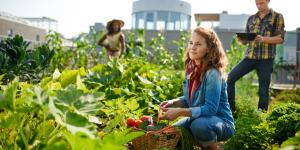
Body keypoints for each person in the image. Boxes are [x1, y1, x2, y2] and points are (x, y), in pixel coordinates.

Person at [159, 27, 235, 150]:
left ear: (209, 49)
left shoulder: (213, 73)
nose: (192, 47)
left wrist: (179, 112)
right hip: (198, 118)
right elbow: (190, 98)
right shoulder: (191, 68)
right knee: (172, 133)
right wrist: (173, 102)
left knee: (199, 126)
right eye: (191, 43)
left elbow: (210, 109)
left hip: (221, 122)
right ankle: (201, 143)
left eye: (198, 44)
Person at [227, 0, 285, 113]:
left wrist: (263, 39)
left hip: (266, 59)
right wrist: (242, 40)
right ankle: (231, 110)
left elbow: (280, 38)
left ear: (268, 1)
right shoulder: (251, 18)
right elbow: (246, 41)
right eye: (257, 3)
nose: (259, 5)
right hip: (250, 57)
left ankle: (261, 115)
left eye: (261, 3)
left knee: (263, 90)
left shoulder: (277, 17)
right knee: (230, 78)